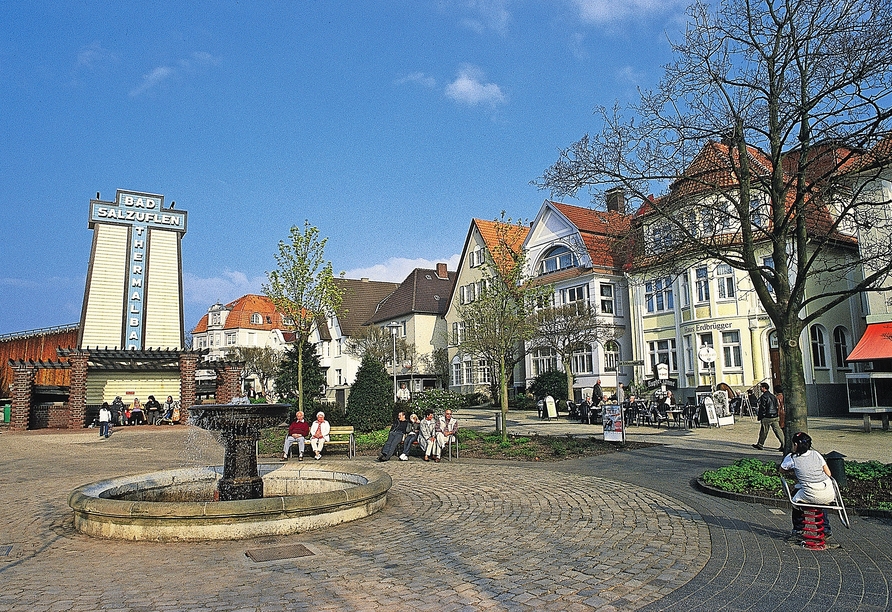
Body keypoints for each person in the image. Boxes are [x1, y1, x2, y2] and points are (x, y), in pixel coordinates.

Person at [780, 431, 834, 536]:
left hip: (810, 493)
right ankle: (825, 528)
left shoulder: (792, 458)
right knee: (821, 500)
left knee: (795, 499)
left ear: (795, 445)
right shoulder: (816, 454)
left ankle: (798, 528)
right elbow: (828, 473)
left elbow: (782, 470)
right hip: (828, 492)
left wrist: (795, 470)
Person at [752, 382, 784, 451]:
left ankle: (760, 444)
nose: (760, 388)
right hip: (775, 416)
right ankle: (784, 444)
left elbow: (763, 407)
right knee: (778, 431)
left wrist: (761, 416)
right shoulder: (773, 396)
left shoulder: (764, 396)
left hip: (767, 416)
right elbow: (776, 406)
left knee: (764, 431)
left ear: (764, 388)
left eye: (761, 387)